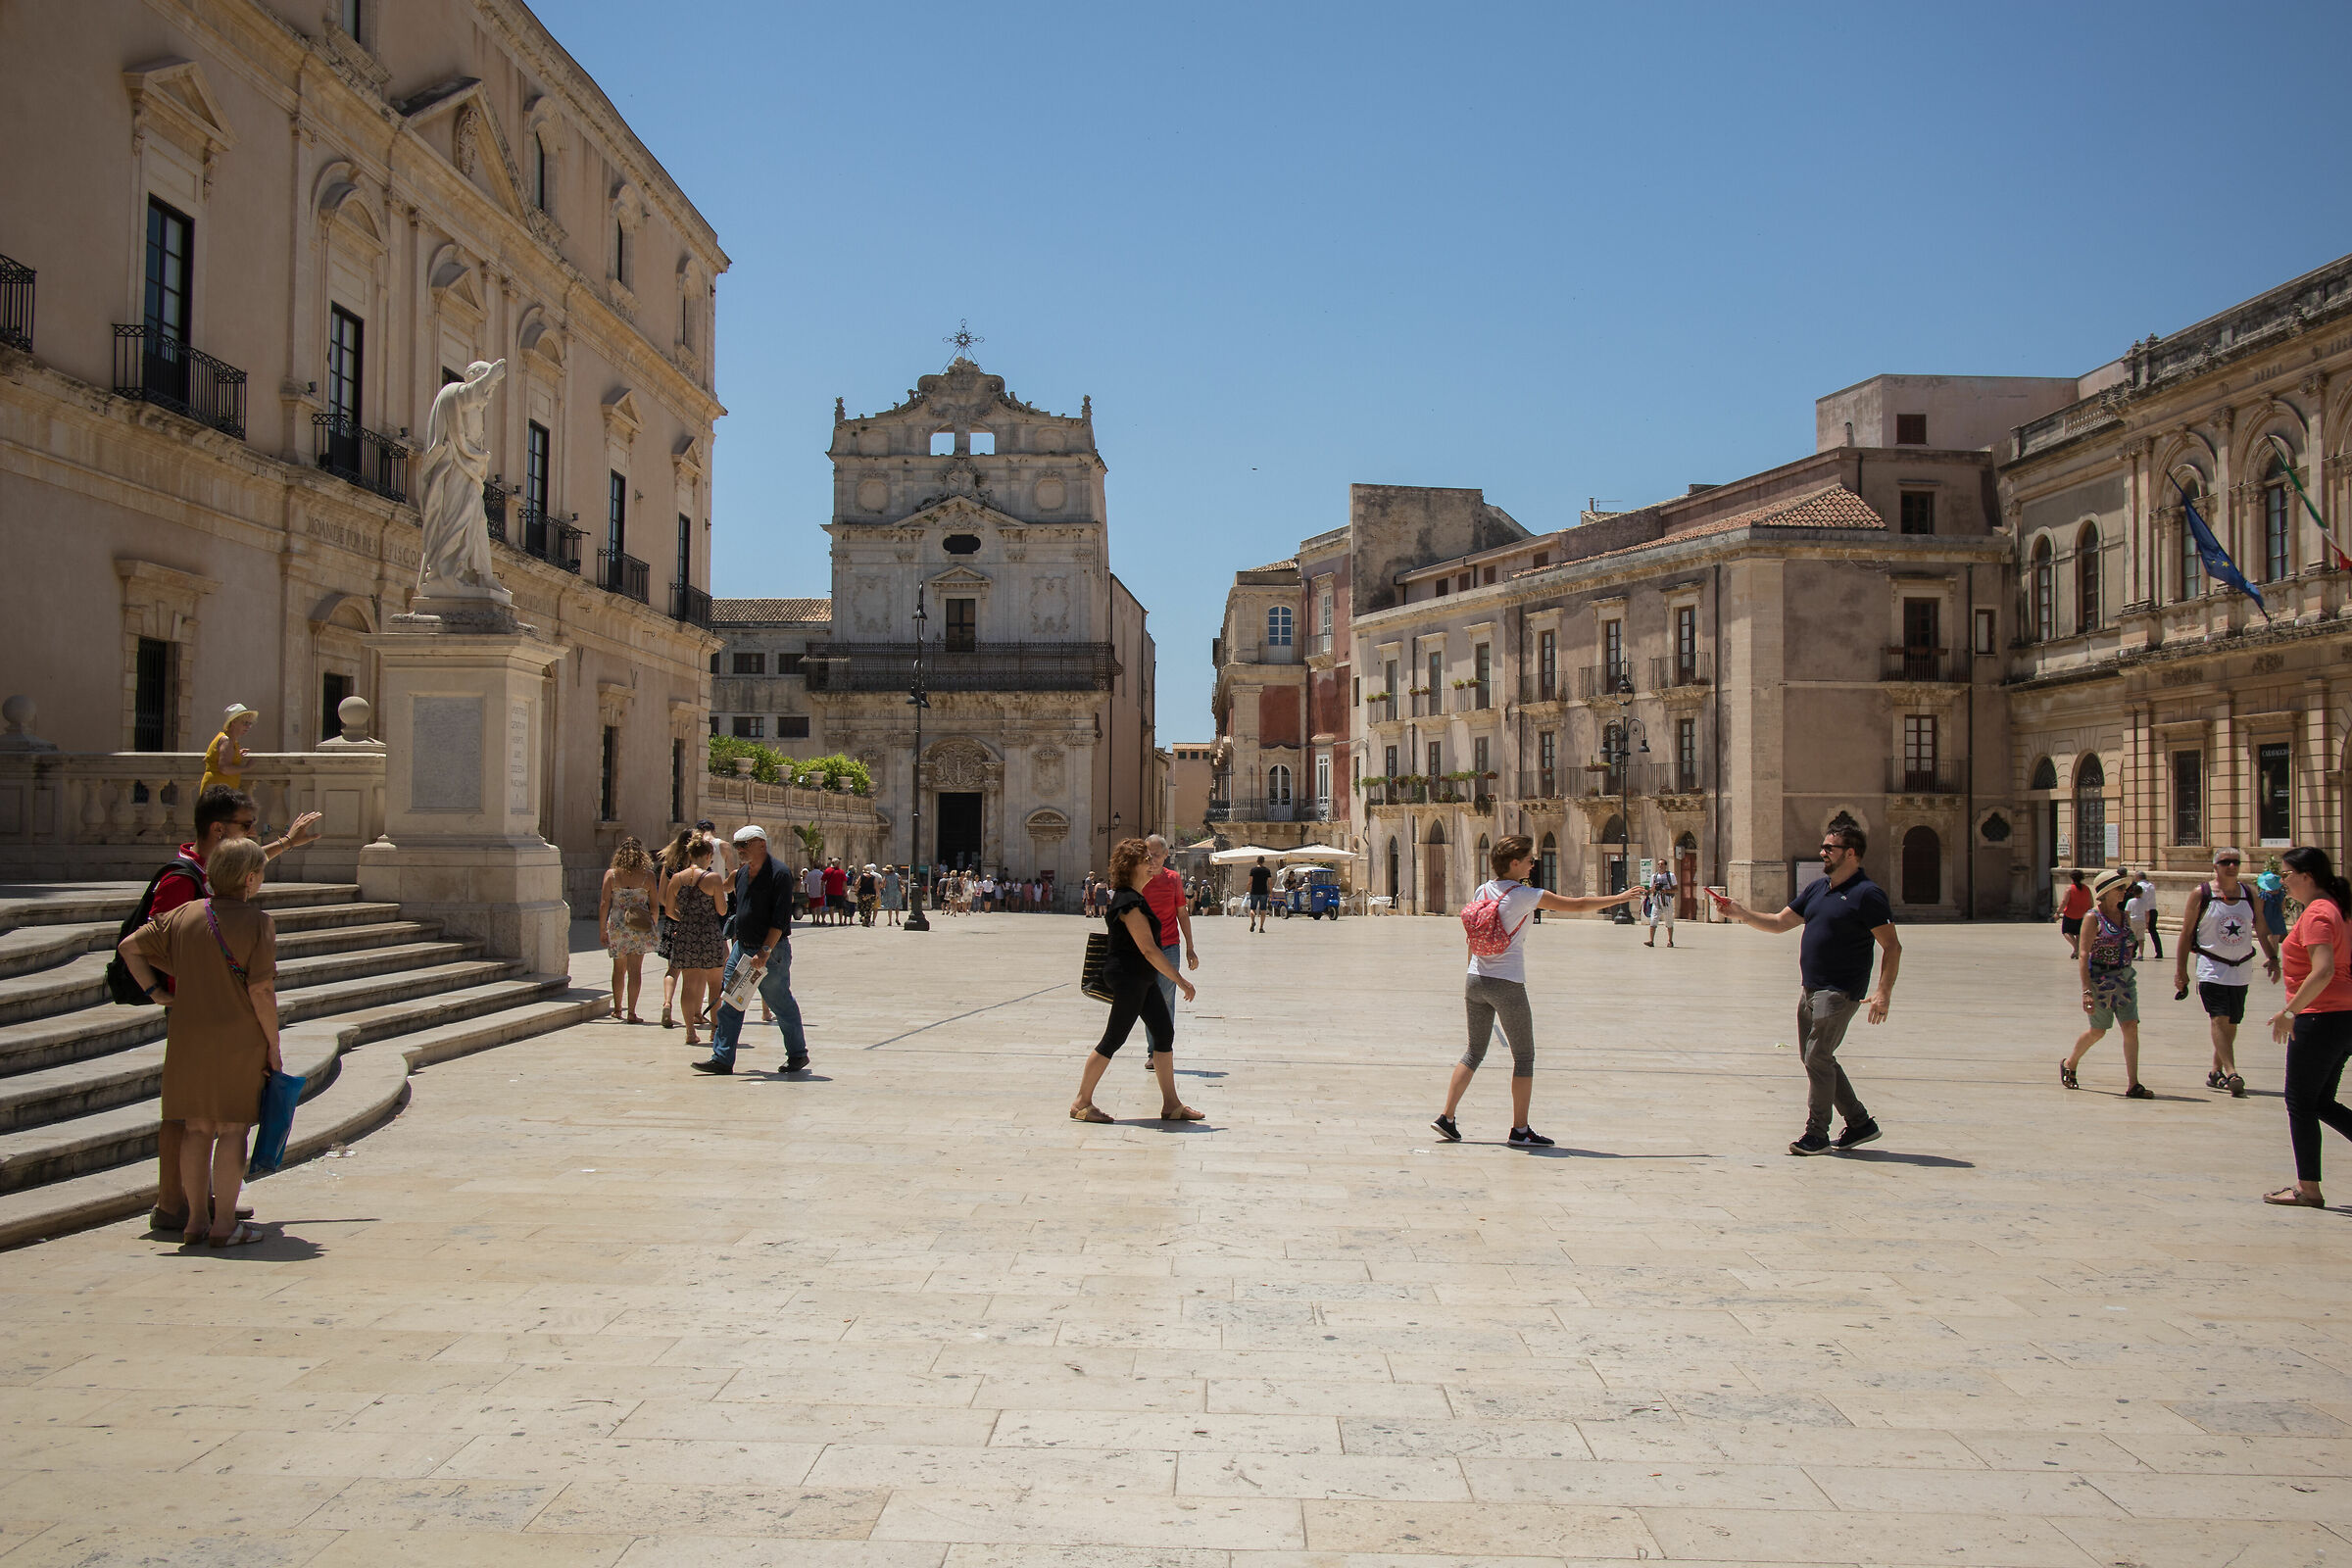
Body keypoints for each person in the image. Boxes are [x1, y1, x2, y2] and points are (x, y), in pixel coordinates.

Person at [143, 785, 319, 1235]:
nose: (254, 835)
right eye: (247, 827)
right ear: (218, 829)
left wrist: (286, 844)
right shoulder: (183, 882)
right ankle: (176, 1205)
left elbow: (237, 871)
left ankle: (199, 1211)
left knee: (197, 1124)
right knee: (213, 1126)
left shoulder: (208, 879)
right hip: (218, 1019)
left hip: (194, 1019)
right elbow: (254, 982)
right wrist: (165, 987)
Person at [116, 836, 278, 1247]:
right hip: (238, 1037)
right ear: (250, 878)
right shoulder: (259, 922)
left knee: (196, 1129)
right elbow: (261, 991)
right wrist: (273, 1047)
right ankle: (224, 1224)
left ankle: (194, 1223)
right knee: (232, 1129)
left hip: (188, 1034)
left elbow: (129, 947)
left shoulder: (184, 915)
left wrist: (158, 992)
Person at [1433, 834, 1642, 1146]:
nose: (1534, 863)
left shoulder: (1483, 889)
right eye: (1529, 859)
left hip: (1475, 978)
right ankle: (1520, 1130)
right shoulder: (1524, 896)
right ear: (1514, 863)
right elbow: (1578, 904)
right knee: (1524, 1057)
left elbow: (1472, 938)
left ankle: (1446, 1117)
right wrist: (1621, 898)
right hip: (1507, 982)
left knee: (1474, 1052)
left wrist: (1470, 972)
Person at [1715, 824, 1900, 1155]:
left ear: (1851, 853)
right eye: (1823, 846)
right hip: (1811, 987)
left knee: (1817, 1056)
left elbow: (1892, 946)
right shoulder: (1818, 889)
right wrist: (1741, 913)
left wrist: (1883, 992)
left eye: (1830, 847)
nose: (1823, 852)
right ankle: (1860, 1123)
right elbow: (1779, 923)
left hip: (1840, 990)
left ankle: (1816, 1133)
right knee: (1816, 1057)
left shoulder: (1867, 893)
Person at [1070, 837, 1200, 1124]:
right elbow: (1148, 949)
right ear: (1133, 866)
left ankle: (1171, 1105)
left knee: (1163, 1034)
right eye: (1146, 859)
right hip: (1130, 977)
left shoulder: (1135, 897)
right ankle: (1081, 1101)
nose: (1153, 862)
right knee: (1113, 1038)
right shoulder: (1128, 901)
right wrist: (1180, 980)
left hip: (1141, 977)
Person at [2263, 846, 2352, 1207]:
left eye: (2286, 874)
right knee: (2321, 1102)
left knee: (2300, 1103)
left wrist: (2290, 1011)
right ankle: (2308, 1185)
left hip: (2319, 1018)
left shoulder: (2318, 913)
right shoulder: (2337, 908)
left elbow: (2324, 969)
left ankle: (2308, 1189)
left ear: (2307, 876)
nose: (2282, 882)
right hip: (2342, 1017)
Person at [693, 825, 809, 1075]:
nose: (740, 850)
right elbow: (725, 889)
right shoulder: (741, 874)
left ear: (761, 844)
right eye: (737, 846)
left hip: (770, 952)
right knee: (730, 1003)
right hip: (742, 948)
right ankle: (722, 1058)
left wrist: (765, 951)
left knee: (780, 1003)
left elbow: (780, 920)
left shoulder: (779, 874)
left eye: (744, 845)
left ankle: (798, 1054)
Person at [2176, 847, 2278, 1099]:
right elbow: (2186, 933)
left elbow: (2262, 928)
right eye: (2225, 862)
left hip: (2241, 969)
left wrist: (2273, 957)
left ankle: (2215, 1071)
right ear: (2215, 866)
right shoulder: (2202, 894)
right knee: (2219, 1019)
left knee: (2231, 1023)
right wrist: (2181, 972)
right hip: (2212, 968)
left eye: (2235, 862)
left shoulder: (2249, 894)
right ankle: (2232, 1072)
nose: (2231, 866)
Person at [2060, 868, 2149, 1096]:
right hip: (2100, 981)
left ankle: (2133, 1083)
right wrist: (2086, 990)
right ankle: (2070, 1063)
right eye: (2120, 888)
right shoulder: (2093, 917)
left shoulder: (2125, 916)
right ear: (2107, 892)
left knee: (2130, 1027)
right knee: (2098, 1031)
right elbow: (2083, 954)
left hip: (2125, 978)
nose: (2124, 892)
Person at [662, 835, 731, 1050]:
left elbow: (669, 910)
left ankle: (690, 1032)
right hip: (710, 934)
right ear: (709, 855)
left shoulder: (677, 878)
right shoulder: (713, 879)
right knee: (714, 984)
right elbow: (722, 910)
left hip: (686, 935)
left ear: (690, 855)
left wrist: (685, 919)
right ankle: (714, 1029)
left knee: (689, 985)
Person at [1142, 835, 1200, 1050]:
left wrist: (1190, 948)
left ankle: (1159, 1049)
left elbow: (1182, 914)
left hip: (1168, 946)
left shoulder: (1173, 879)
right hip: (1143, 948)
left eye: (1156, 855)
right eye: (1147, 854)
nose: (1151, 859)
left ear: (1166, 855)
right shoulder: (1139, 879)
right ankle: (1155, 1047)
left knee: (1165, 998)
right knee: (1148, 998)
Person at [599, 837, 660, 1022]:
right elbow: (655, 906)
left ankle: (618, 1009)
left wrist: (602, 929)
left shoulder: (612, 875)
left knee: (618, 969)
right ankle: (632, 1012)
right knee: (635, 970)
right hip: (639, 925)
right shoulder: (648, 876)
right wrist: (652, 925)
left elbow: (604, 903)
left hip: (617, 925)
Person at [654, 827, 695, 1028]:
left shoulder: (669, 866)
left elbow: (662, 897)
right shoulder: (696, 867)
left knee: (673, 968)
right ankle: (695, 1013)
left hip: (672, 920)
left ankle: (667, 1003)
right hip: (695, 921)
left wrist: (674, 910)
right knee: (695, 971)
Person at [200, 702, 259, 795]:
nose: (248, 727)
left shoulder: (229, 740)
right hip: (217, 791)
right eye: (245, 723)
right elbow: (225, 768)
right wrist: (247, 767)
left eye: (250, 724)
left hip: (221, 790)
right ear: (234, 722)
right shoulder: (226, 740)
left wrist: (236, 754)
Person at [2128, 872, 2165, 960]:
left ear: (2138, 877)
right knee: (2153, 931)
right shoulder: (2151, 885)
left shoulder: (2139, 886)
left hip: (2143, 910)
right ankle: (2159, 951)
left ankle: (2133, 952)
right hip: (2153, 909)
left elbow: (2141, 898)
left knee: (2137, 932)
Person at [2058, 869, 2093, 959]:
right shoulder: (2086, 888)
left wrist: (2058, 912)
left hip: (2070, 914)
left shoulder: (2069, 888)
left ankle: (2076, 948)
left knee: (2066, 931)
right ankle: (2076, 951)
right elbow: (2091, 901)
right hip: (2083, 914)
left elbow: (2064, 901)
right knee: (2078, 933)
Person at [1644, 860, 1678, 949]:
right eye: (1659, 864)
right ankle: (1651, 940)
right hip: (1656, 901)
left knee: (1669, 921)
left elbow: (1676, 889)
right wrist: (1654, 888)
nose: (1660, 866)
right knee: (1653, 920)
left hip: (1667, 901)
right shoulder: (1654, 876)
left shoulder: (1671, 876)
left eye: (1662, 864)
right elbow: (1650, 890)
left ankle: (1670, 940)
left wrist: (1666, 891)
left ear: (1666, 866)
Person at [1248, 857, 1273, 933]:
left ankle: (1252, 921)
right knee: (1263, 910)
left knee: (1252, 909)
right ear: (1263, 861)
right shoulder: (1267, 871)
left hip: (1254, 891)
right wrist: (1271, 893)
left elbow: (1250, 882)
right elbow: (1270, 883)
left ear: (1257, 861)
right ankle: (1261, 927)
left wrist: (1248, 890)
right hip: (1263, 892)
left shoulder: (1253, 870)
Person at [824, 858, 850, 924]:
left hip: (829, 891)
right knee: (840, 907)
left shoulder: (827, 871)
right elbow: (844, 883)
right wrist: (845, 892)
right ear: (837, 864)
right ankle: (840, 921)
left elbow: (823, 881)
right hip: (839, 892)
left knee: (831, 907)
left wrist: (822, 890)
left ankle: (832, 922)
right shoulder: (841, 872)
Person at [856, 863, 878, 927]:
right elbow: (876, 886)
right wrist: (877, 895)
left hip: (862, 894)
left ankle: (863, 917)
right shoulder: (873, 877)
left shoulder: (861, 876)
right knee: (869, 908)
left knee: (861, 907)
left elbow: (857, 884)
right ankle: (867, 920)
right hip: (871, 894)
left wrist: (857, 889)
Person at [881, 863, 905, 927]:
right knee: (897, 906)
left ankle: (890, 921)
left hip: (889, 892)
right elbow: (902, 882)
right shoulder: (897, 875)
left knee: (890, 907)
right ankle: (897, 918)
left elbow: (883, 885)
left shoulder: (886, 877)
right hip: (897, 892)